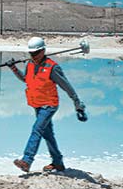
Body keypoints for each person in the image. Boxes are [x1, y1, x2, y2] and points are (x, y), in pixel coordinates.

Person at [6, 36, 85, 173]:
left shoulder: (52, 68)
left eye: (36, 53)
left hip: (49, 105)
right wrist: (14, 69)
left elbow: (67, 86)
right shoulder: (30, 64)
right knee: (47, 134)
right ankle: (58, 162)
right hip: (37, 104)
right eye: (31, 53)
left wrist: (77, 103)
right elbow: (26, 79)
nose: (33, 56)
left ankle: (27, 160)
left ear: (43, 51)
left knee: (37, 129)